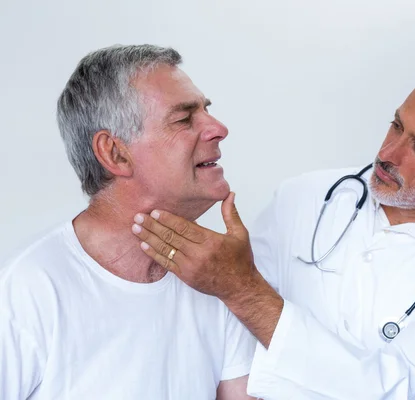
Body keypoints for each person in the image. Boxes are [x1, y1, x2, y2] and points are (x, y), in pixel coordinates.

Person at [132, 64, 415, 399]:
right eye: (396, 125)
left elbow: (389, 390)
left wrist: (242, 288)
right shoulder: (304, 197)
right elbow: (229, 332)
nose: (388, 153)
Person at [0, 44, 256, 399]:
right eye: (184, 119)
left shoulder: (218, 276)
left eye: (206, 110)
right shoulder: (27, 290)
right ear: (115, 153)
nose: (218, 128)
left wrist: (243, 288)